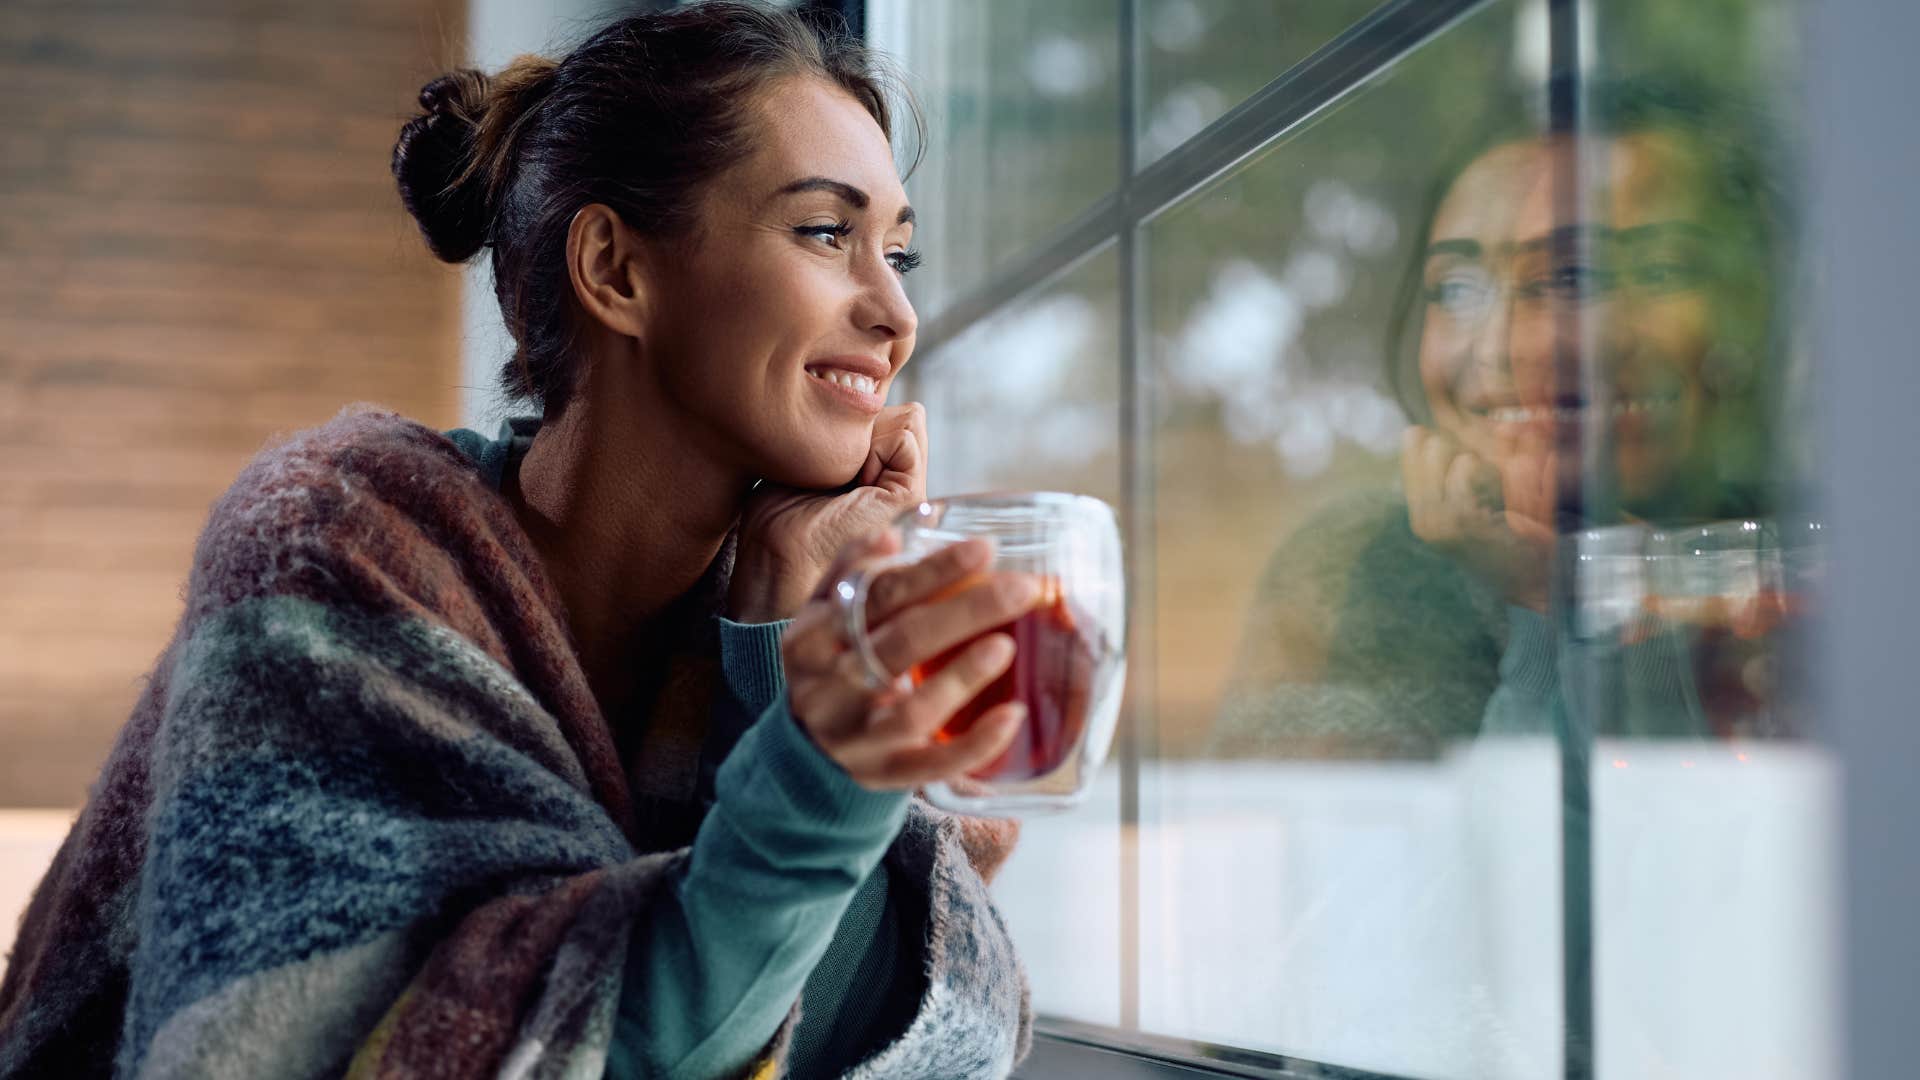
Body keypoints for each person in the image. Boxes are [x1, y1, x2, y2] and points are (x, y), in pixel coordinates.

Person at [0, 5, 1039, 1078]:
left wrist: (772, 625)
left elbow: (829, 1035)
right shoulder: (329, 550)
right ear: (616, 270)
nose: (896, 313)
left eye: (900, 251)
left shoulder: (772, 605)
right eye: (828, 233)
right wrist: (819, 762)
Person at [1212, 80, 1797, 758]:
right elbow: (1348, 851)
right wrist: (1558, 612)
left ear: (1749, 313)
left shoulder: (1818, 563)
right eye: (1455, 289)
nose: (1497, 350)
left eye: (1578, 277)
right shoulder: (1368, 570)